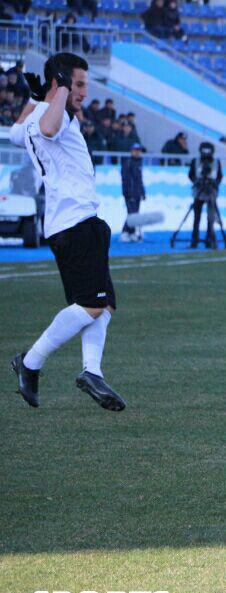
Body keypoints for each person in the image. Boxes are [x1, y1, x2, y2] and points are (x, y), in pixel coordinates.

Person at [11, 52, 126, 411]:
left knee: (104, 304)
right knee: (91, 305)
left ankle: (92, 371)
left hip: (75, 223)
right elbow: (48, 128)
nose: (83, 92)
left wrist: (36, 97)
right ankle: (30, 362)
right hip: (76, 223)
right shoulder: (52, 119)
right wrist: (57, 89)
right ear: (60, 82)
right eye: (77, 84)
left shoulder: (37, 117)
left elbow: (18, 133)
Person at [187, 141, 223, 248]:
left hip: (211, 192)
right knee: (196, 217)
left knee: (210, 217)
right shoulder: (196, 161)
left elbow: (220, 176)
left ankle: (210, 238)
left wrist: (214, 184)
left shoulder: (216, 162)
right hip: (199, 191)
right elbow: (190, 175)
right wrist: (196, 182)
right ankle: (195, 238)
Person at [120, 142, 145, 242]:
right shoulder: (128, 162)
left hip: (137, 193)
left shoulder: (139, 163)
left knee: (135, 213)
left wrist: (143, 192)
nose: (137, 152)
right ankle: (125, 232)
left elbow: (140, 180)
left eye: (138, 150)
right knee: (132, 214)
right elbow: (125, 179)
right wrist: (127, 193)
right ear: (131, 151)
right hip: (130, 193)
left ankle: (132, 232)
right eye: (135, 150)